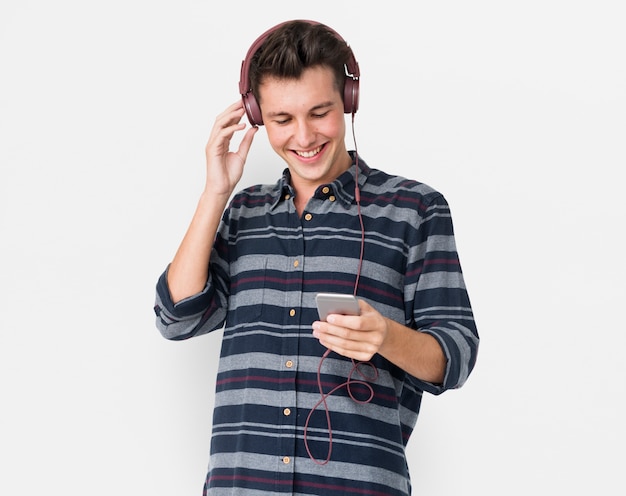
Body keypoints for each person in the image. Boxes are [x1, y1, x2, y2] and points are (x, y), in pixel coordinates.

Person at [154, 19, 479, 496]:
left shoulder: (415, 210)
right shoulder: (243, 212)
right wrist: (215, 192)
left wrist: (386, 336)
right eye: (283, 120)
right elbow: (177, 317)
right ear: (258, 115)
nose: (303, 137)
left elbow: (456, 354)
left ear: (348, 103)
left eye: (320, 112)